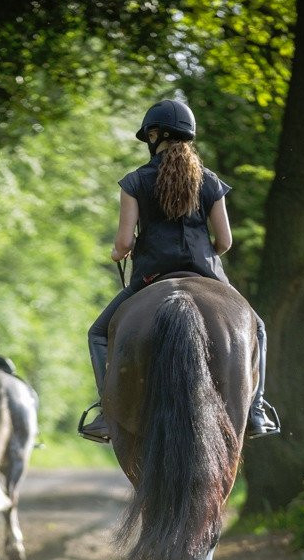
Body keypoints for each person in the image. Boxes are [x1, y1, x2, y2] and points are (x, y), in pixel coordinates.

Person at [79, 98, 280, 443]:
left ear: (157, 134)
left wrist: (116, 254)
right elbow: (226, 240)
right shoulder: (210, 181)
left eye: (150, 135)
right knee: (257, 329)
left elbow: (124, 243)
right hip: (206, 273)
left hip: (150, 277)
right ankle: (256, 409)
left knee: (97, 333)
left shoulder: (134, 183)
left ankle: (106, 411)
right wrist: (205, 256)